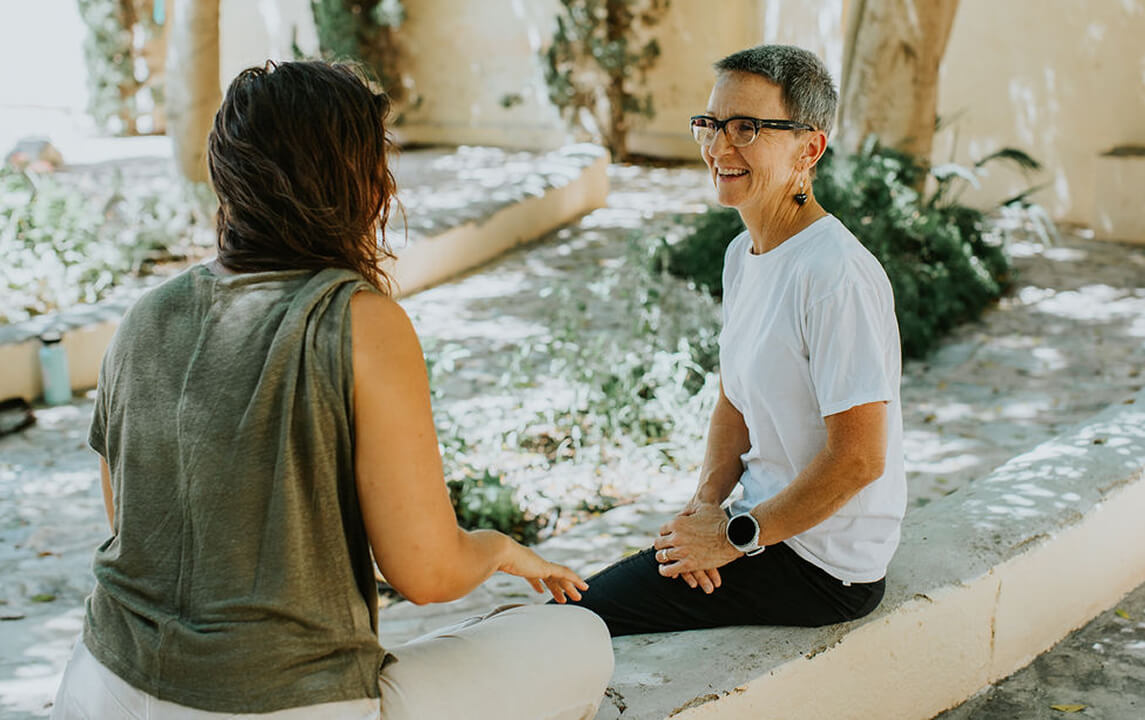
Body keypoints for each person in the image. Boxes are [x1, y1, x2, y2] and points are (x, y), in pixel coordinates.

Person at [50, 60, 613, 719]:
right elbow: (426, 573)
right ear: (360, 182)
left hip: (99, 686)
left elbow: (133, 526)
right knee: (577, 635)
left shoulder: (146, 314)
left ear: (227, 174)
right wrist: (499, 548)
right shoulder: (358, 319)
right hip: (278, 704)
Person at [576, 44, 906, 636]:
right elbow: (736, 398)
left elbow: (859, 457)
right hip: (762, 530)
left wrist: (733, 537)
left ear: (810, 148)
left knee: (577, 620)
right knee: (581, 611)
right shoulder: (743, 255)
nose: (719, 147)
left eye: (747, 128)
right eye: (712, 124)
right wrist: (706, 505)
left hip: (823, 566)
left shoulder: (834, 274)